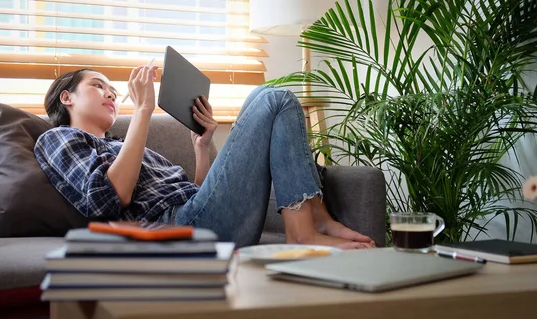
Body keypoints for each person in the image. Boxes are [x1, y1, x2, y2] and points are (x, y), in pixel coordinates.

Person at [34, 64, 376, 249]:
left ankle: (315, 217)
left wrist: (201, 147)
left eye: (112, 90)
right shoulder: (58, 138)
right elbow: (108, 199)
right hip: (178, 232)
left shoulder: (125, 145)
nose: (110, 93)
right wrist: (142, 110)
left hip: (196, 218)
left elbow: (194, 196)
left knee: (267, 94)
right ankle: (304, 231)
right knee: (274, 99)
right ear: (67, 98)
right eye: (97, 85)